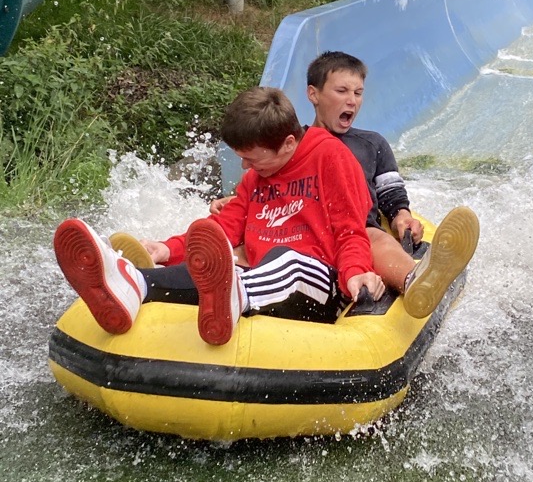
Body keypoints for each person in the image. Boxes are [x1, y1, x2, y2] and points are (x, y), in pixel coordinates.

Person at [54, 87, 385, 347]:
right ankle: (136, 282)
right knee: (217, 264)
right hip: (258, 281)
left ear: (287, 144)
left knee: (286, 259)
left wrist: (356, 273)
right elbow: (222, 231)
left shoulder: (330, 157)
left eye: (251, 158)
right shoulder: (257, 177)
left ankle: (233, 293)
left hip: (320, 286)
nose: (244, 167)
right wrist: (168, 249)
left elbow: (351, 231)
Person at [211, 50, 481, 311]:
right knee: (247, 245)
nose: (352, 100)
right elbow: (266, 187)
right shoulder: (286, 141)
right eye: (342, 91)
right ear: (313, 94)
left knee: (373, 237)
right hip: (302, 224)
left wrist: (402, 215)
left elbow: (392, 192)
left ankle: (417, 282)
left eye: (358, 93)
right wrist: (236, 202)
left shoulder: (371, 143)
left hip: (356, 225)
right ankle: (224, 289)